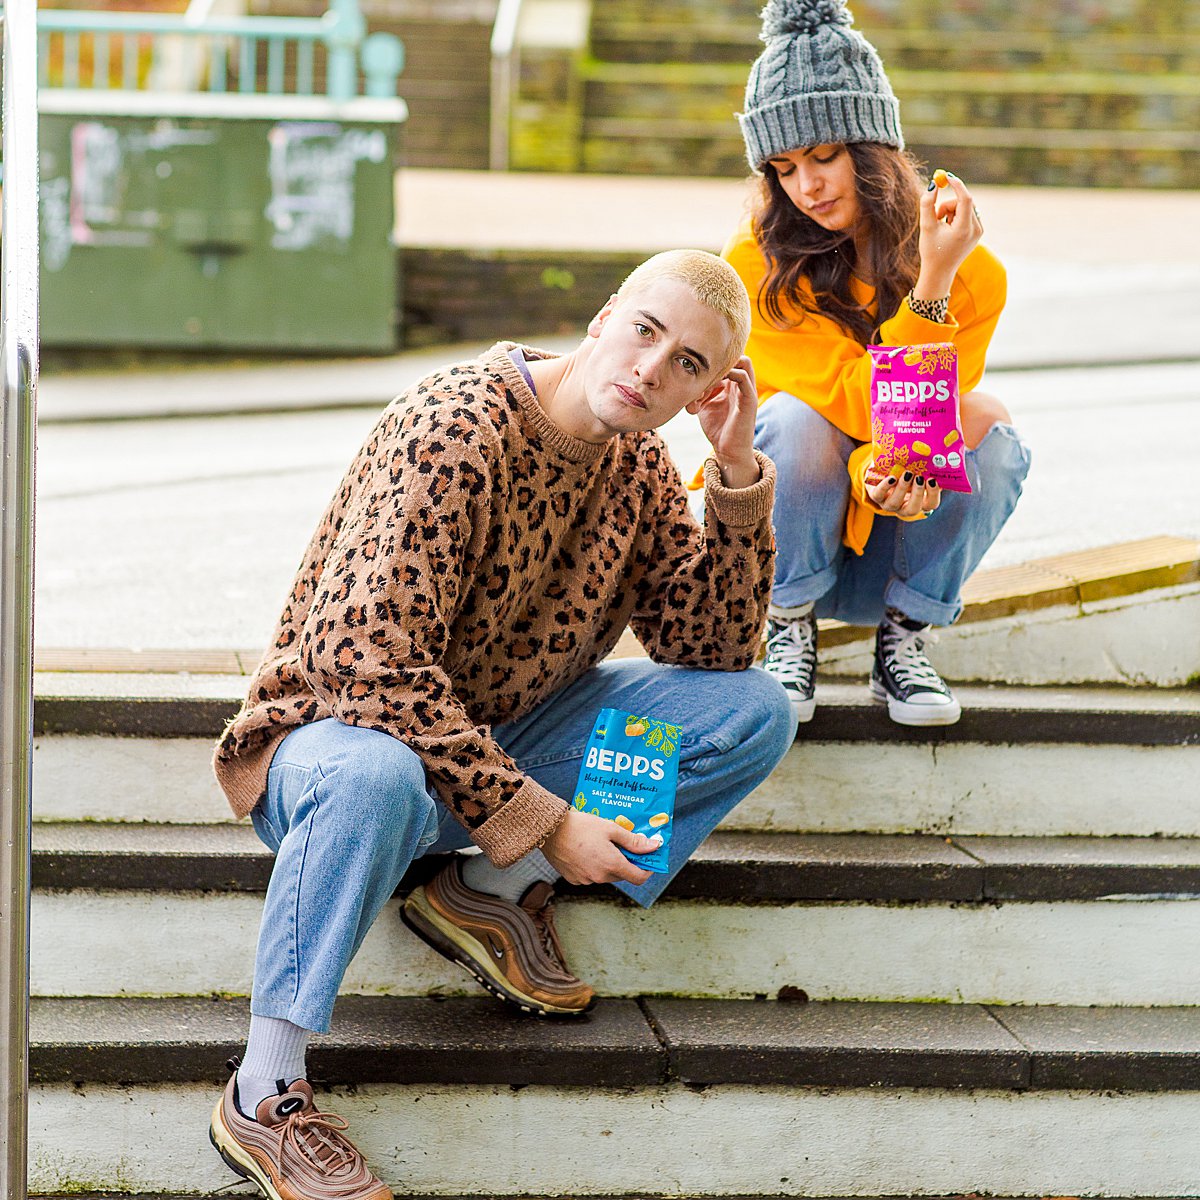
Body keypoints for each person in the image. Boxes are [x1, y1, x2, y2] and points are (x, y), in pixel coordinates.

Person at [206, 248, 797, 1198]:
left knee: (750, 712)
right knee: (376, 774)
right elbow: (370, 662)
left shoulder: (641, 467)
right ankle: (263, 1089)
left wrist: (734, 473)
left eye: (688, 362)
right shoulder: (459, 424)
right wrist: (550, 820)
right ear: (605, 316)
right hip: (330, 746)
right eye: (647, 331)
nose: (652, 368)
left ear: (703, 390)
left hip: (492, 752)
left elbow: (711, 647)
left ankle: (484, 891)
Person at [723, 0, 1031, 726]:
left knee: (990, 423)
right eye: (784, 167)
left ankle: (903, 636)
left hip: (894, 537)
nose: (807, 186)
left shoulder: (976, 275)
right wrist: (930, 286)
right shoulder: (757, 266)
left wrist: (943, 275)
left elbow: (923, 420)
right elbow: (859, 411)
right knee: (794, 418)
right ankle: (788, 625)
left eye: (823, 155)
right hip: (787, 548)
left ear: (873, 145)